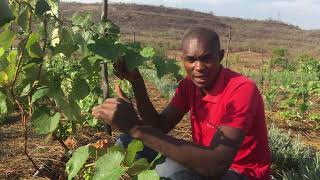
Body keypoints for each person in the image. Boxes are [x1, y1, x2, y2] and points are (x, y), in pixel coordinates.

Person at [92, 27, 271, 180]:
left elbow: (217, 165)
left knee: (168, 173)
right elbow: (160, 126)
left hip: (240, 173)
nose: (198, 67)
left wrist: (136, 128)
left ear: (221, 56)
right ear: (182, 59)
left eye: (207, 58)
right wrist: (137, 83)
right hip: (204, 159)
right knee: (126, 142)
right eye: (191, 59)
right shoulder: (188, 85)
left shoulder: (241, 89)